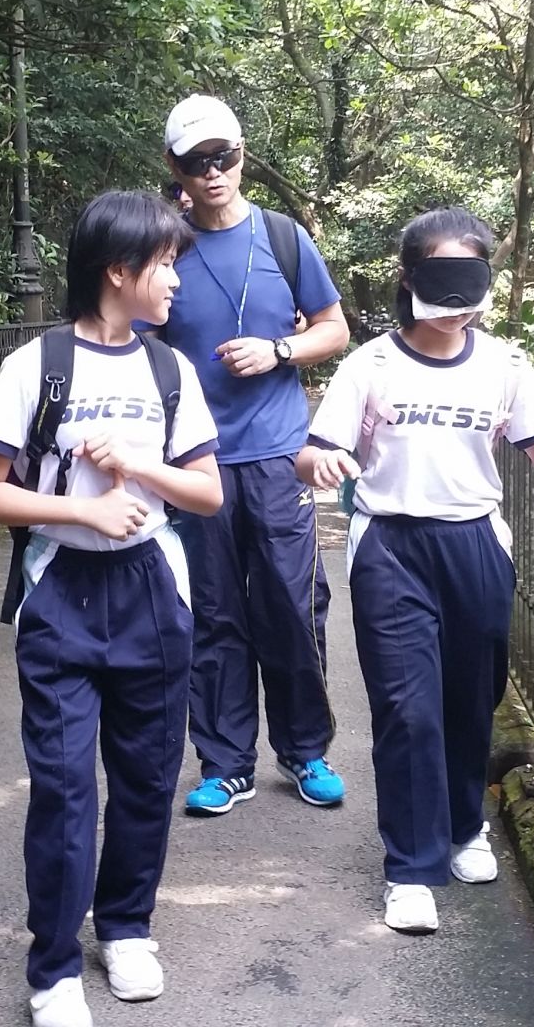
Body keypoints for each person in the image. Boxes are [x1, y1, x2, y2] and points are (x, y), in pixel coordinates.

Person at [0, 191, 223, 1027]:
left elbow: (208, 493)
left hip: (153, 589)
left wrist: (138, 467)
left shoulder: (170, 370)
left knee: (148, 775)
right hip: (61, 593)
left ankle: (127, 928)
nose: (175, 280)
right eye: (165, 264)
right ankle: (53, 969)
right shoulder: (36, 366)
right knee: (65, 786)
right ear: (119, 270)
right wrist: (83, 510)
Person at [295, 207, 534, 935]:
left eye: (471, 276)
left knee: (470, 699)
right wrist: (322, 463)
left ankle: (465, 827)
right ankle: (409, 867)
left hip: (475, 544)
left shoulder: (505, 365)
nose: (458, 299)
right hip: (391, 545)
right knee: (407, 708)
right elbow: (312, 453)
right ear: (409, 278)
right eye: (443, 276)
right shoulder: (371, 365)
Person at [156, 93, 352, 816]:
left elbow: (334, 328)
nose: (213, 172)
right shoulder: (165, 246)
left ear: (242, 155)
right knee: (211, 611)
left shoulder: (282, 237)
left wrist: (279, 350)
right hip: (194, 461)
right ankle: (225, 763)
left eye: (225, 157)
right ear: (175, 167)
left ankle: (305, 751)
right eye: (196, 162)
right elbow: (135, 337)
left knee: (292, 605)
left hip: (277, 455)